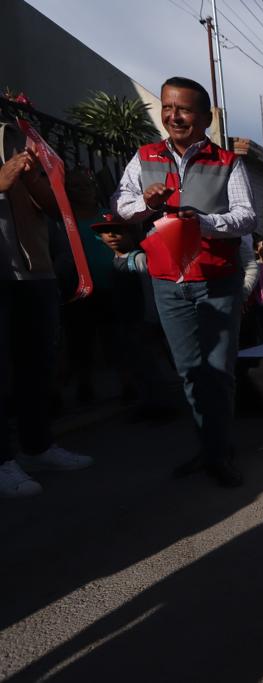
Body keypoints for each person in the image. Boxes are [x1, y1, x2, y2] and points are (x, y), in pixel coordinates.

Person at [111, 76, 254, 487]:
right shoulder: (144, 158)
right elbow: (121, 207)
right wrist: (146, 203)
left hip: (217, 280)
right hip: (167, 281)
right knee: (190, 369)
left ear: (205, 118)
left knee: (219, 371)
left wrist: (206, 222)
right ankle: (208, 446)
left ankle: (218, 451)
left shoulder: (228, 162)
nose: (174, 116)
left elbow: (246, 217)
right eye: (168, 108)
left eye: (184, 109)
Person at [0, 115, 94, 497]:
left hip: (35, 271)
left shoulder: (14, 132)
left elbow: (56, 208)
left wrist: (55, 182)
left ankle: (36, 447)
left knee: (38, 367)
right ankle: (3, 461)